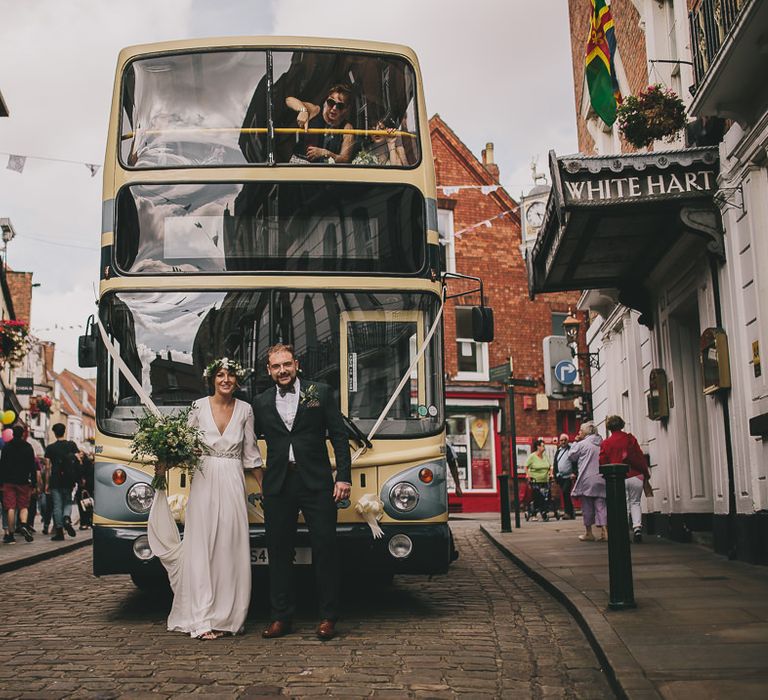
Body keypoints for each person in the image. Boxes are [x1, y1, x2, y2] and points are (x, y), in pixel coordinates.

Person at [147, 358, 262, 640]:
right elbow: (184, 445)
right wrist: (164, 459)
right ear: (212, 379)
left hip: (234, 481)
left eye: (231, 375)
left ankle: (228, 617)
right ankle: (201, 618)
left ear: (237, 380)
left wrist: (266, 488)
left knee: (229, 547)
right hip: (205, 479)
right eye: (220, 375)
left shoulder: (246, 410)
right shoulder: (197, 407)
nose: (226, 380)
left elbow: (251, 454)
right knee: (201, 547)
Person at [253, 343, 352, 641]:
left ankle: (328, 617)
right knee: (279, 552)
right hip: (279, 485)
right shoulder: (260, 401)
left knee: (325, 549)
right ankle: (281, 617)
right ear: (269, 371)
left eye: (286, 364)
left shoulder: (319, 393)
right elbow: (246, 441)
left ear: (296, 364)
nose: (282, 370)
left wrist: (343, 477)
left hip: (317, 482)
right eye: (275, 366)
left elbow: (338, 435)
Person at [600, 415, 649, 543]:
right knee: (635, 502)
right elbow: (639, 456)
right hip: (635, 475)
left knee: (623, 505)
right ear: (621, 424)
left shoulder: (606, 443)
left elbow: (602, 461)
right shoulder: (630, 439)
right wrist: (645, 473)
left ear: (609, 427)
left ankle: (623, 531)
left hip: (618, 478)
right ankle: (637, 528)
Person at [286, 84, 357, 163]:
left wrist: (325, 153)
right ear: (326, 101)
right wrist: (303, 110)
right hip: (300, 164)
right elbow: (289, 100)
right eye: (331, 102)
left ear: (345, 109)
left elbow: (345, 159)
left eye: (340, 106)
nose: (334, 108)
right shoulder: (315, 111)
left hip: (326, 170)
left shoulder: (347, 128)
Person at [569, 422, 605, 542]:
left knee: (587, 507)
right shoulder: (601, 442)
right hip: (601, 477)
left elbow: (571, 456)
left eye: (580, 430)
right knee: (601, 506)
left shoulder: (582, 444)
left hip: (587, 479)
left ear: (586, 432)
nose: (579, 432)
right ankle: (605, 532)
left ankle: (589, 533)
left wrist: (575, 441)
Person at [0, 426, 36, 543]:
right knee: (23, 506)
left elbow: (2, 465)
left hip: (8, 481)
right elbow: (32, 466)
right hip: (23, 481)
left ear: (13, 434)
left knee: (10, 507)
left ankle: (10, 535)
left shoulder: (7, 447)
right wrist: (34, 482)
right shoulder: (28, 447)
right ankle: (24, 525)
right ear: (22, 434)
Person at [44, 423, 79, 541]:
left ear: (54, 433)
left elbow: (48, 467)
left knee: (57, 505)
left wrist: (47, 483)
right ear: (64, 431)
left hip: (55, 479)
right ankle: (66, 518)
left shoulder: (50, 448)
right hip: (68, 479)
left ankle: (59, 531)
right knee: (68, 501)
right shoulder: (71, 445)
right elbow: (78, 460)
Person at [524, 439, 554, 521]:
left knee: (546, 496)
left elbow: (550, 466)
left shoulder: (545, 456)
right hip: (535, 481)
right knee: (538, 496)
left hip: (545, 480)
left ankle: (544, 511)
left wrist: (551, 473)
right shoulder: (532, 456)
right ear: (538, 447)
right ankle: (535, 513)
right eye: (543, 446)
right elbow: (526, 467)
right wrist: (528, 475)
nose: (544, 447)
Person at [553, 433, 576, 519]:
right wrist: (555, 474)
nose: (563, 442)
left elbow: (574, 462)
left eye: (564, 440)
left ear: (568, 440)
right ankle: (571, 512)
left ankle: (568, 512)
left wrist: (574, 472)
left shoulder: (571, 449)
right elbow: (555, 463)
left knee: (566, 492)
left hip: (568, 476)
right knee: (565, 494)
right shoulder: (558, 451)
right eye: (561, 440)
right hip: (560, 477)